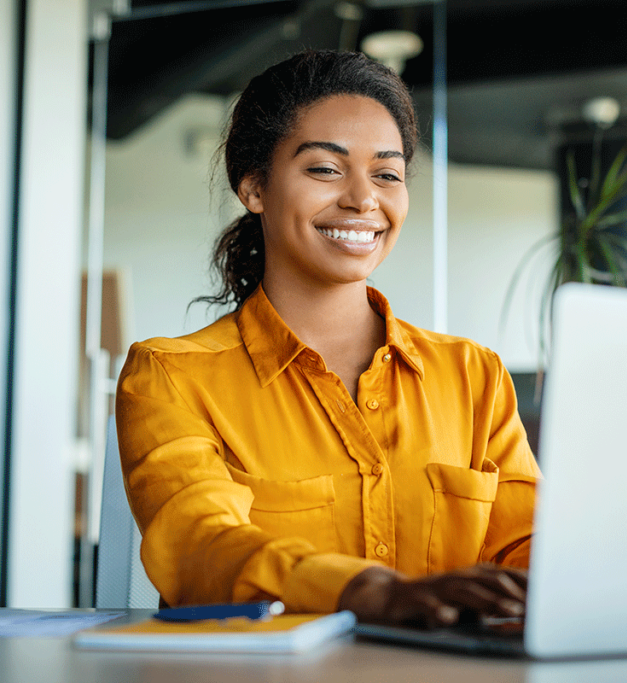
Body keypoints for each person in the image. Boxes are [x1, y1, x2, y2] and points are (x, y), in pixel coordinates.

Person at [115, 49, 541, 626]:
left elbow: (529, 546)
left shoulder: (472, 376)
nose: (364, 199)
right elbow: (200, 544)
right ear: (254, 187)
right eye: (325, 169)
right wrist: (368, 593)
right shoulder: (170, 377)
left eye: (386, 174)